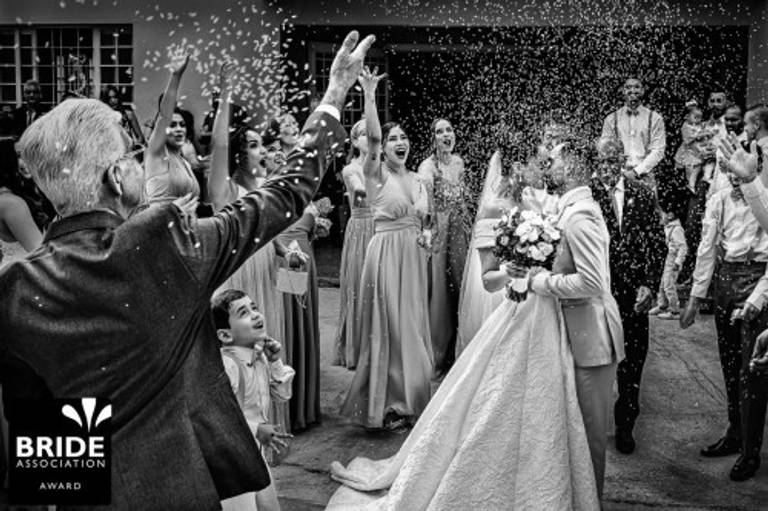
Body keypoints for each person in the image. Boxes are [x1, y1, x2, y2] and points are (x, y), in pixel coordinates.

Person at [0, 30, 373, 508]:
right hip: (179, 488)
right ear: (115, 177)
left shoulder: (15, 288)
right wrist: (333, 96)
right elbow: (282, 197)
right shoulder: (160, 241)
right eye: (131, 157)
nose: (139, 164)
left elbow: (38, 437)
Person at [326, 138, 602, 511]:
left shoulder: (549, 204)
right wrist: (514, 271)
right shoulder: (493, 209)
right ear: (516, 166)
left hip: (549, 311)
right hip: (519, 310)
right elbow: (489, 279)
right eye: (537, 161)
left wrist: (545, 266)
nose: (543, 168)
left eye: (544, 162)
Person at [207, 62, 299, 439]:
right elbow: (218, 145)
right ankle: (238, 434)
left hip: (264, 272)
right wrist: (225, 98)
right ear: (239, 153)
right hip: (238, 274)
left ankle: (265, 424)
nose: (263, 151)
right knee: (237, 355)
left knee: (263, 348)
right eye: (254, 145)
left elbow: (269, 233)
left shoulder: (264, 187)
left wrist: (286, 252)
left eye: (262, 144)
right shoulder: (224, 189)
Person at [340, 67, 432, 431]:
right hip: (385, 255)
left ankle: (413, 397)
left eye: (404, 137)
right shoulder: (376, 173)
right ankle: (389, 402)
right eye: (393, 138)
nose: (399, 142)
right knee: (390, 326)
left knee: (411, 325)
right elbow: (374, 138)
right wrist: (369, 94)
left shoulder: (418, 179)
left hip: (413, 257)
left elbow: (424, 219)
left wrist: (425, 236)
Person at [702, 107, 768, 481]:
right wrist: (698, 293)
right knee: (729, 365)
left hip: (757, 275)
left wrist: (752, 182)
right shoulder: (723, 195)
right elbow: (708, 244)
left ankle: (750, 451)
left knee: (751, 371)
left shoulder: (762, 192)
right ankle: (734, 432)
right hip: (727, 278)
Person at [589, 138, 666, 455]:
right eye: (601, 161)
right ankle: (591, 425)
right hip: (596, 293)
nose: (607, 166)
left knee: (633, 362)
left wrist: (650, 283)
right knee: (595, 361)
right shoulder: (586, 195)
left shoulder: (642, 193)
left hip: (633, 294)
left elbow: (658, 243)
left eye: (612, 160)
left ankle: (626, 424)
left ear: (622, 160)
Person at [212, 289, 294, 511]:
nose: (256, 315)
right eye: (244, 313)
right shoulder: (228, 366)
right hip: (231, 464)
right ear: (225, 335)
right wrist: (256, 429)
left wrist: (275, 361)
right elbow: (216, 418)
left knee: (267, 505)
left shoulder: (260, 357)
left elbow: (282, 395)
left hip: (255, 455)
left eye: (254, 308)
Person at [417, 118, 469, 373]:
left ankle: (459, 349)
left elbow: (463, 197)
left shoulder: (458, 162)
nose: (446, 134)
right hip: (440, 230)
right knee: (440, 288)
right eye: (440, 131)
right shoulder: (427, 167)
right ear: (433, 138)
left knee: (460, 283)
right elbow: (424, 205)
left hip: (460, 229)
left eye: (449, 130)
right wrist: (427, 230)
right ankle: (438, 351)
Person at [333, 119, 375, 369]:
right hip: (362, 228)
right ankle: (359, 349)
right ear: (355, 142)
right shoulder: (350, 170)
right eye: (364, 135)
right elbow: (360, 195)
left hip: (382, 227)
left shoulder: (384, 167)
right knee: (360, 285)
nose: (369, 139)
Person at [144, 50, 201, 205]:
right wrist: (176, 76)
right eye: (173, 125)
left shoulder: (183, 161)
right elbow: (164, 116)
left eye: (182, 125)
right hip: (160, 219)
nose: (179, 129)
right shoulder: (157, 152)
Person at [599, 77, 666, 190]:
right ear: (623, 91)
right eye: (628, 87)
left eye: (637, 87)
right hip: (617, 177)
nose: (632, 90)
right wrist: (621, 171)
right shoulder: (611, 119)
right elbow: (605, 149)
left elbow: (658, 151)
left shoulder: (655, 118)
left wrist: (636, 171)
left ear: (643, 90)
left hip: (645, 177)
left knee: (647, 201)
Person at [649, 207, 688, 320]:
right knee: (663, 283)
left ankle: (674, 311)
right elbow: (661, 213)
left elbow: (683, 247)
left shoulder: (676, 229)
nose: (660, 219)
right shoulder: (669, 226)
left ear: (670, 216)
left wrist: (677, 262)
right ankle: (663, 305)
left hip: (674, 258)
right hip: (670, 257)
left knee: (669, 284)